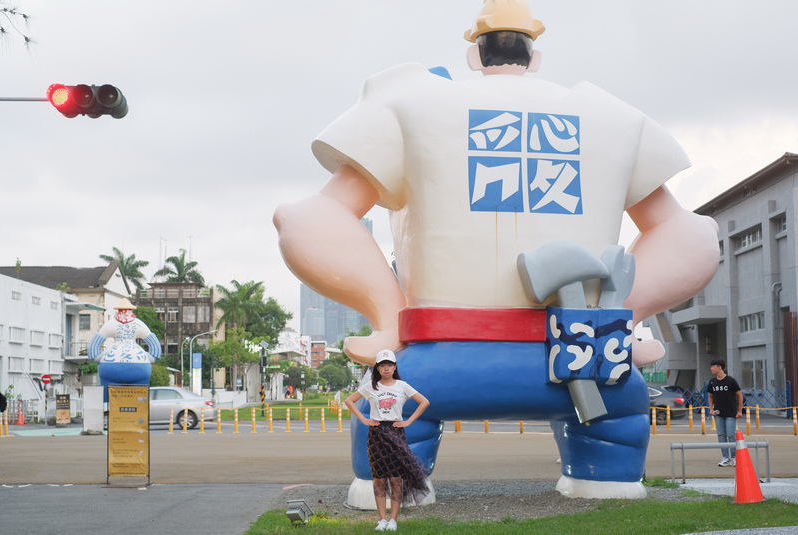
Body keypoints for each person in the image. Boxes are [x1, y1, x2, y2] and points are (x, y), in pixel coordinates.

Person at [274, 0, 719, 500]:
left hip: (434, 363)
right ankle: (607, 480)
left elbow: (308, 221)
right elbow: (693, 237)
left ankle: (395, 488)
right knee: (613, 444)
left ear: (474, 54)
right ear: (536, 55)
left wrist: (388, 314)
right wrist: (615, 322)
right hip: (589, 364)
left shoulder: (409, 103)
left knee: (392, 448)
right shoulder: (613, 117)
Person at [345, 349, 430, 532]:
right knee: (379, 479)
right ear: (377, 368)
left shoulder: (402, 386)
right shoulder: (371, 386)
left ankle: (393, 520)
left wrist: (408, 421)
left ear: (394, 367)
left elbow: (424, 402)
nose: (386, 368)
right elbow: (350, 401)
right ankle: (382, 519)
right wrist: (364, 419)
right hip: (376, 434)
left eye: (389, 365)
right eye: (382, 365)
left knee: (396, 479)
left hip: (396, 433)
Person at [708, 358, 743, 467]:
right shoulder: (712, 382)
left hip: (730, 413)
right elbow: (710, 396)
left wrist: (740, 411)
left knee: (731, 435)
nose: (711, 368)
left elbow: (739, 395)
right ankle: (725, 458)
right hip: (718, 414)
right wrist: (711, 409)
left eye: (713, 366)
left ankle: (734, 457)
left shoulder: (730, 381)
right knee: (721, 435)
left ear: (719, 367)